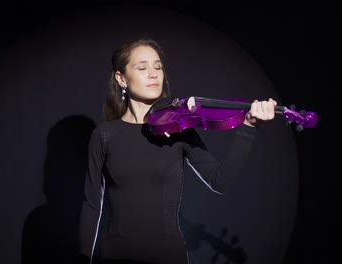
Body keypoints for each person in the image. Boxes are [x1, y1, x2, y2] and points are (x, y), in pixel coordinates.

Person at [78, 38, 277, 264]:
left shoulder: (180, 130)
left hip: (168, 257)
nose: (154, 74)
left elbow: (220, 181)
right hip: (115, 256)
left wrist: (248, 128)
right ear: (121, 78)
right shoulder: (104, 135)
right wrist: (84, 258)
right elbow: (92, 204)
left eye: (158, 67)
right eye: (142, 67)